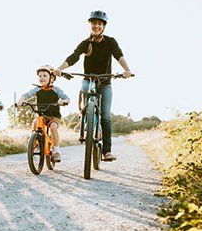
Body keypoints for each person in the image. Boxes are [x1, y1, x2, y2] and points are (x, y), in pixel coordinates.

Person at [54, 10, 134, 161]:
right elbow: (74, 57)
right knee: (84, 89)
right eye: (94, 23)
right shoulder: (86, 43)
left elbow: (119, 55)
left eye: (99, 24)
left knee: (106, 116)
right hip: (88, 79)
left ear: (104, 26)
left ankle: (107, 151)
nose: (96, 26)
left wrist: (127, 70)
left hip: (105, 82)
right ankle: (82, 116)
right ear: (90, 25)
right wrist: (59, 69)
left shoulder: (110, 42)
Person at [16, 65, 70, 163]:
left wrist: (63, 101)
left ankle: (57, 150)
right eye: (40, 76)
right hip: (42, 115)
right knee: (35, 122)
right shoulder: (37, 89)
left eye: (44, 75)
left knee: (53, 127)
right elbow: (26, 95)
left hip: (53, 116)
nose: (41, 78)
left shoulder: (56, 89)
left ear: (52, 78)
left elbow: (66, 98)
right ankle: (35, 141)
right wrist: (20, 100)